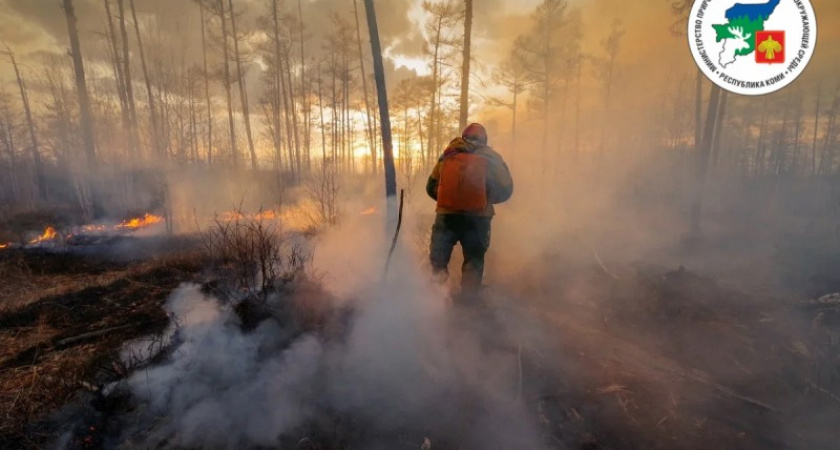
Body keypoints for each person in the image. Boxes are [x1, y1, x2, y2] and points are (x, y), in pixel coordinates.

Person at [426, 123, 513, 298]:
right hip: (478, 219)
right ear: (484, 139)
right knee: (474, 260)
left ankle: (435, 301)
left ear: (464, 136)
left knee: (439, 261)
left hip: (446, 217)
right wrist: (487, 200)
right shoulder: (492, 157)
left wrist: (448, 202)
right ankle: (468, 306)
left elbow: (430, 187)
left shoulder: (449, 153)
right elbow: (507, 188)